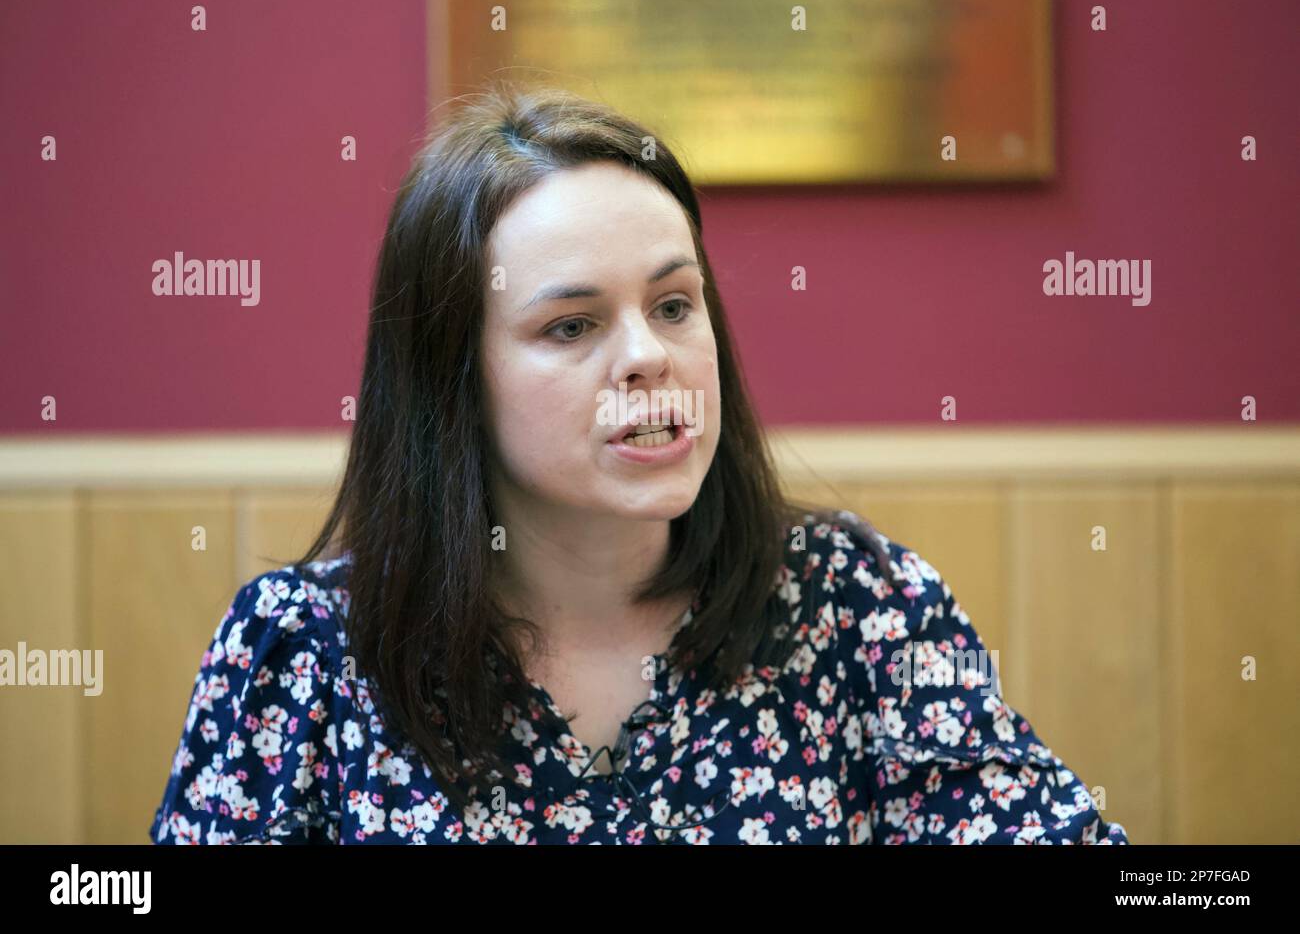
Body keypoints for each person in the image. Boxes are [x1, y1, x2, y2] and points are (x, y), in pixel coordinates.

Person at [150, 82, 1130, 845]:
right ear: (454, 377)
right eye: (570, 324)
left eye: (672, 305)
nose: (646, 356)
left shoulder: (856, 601)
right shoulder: (304, 653)